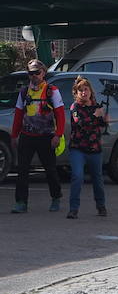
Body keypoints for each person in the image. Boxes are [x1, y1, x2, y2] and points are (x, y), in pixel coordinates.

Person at [10, 60, 65, 214]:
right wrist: (14, 135)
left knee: (50, 170)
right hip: (27, 136)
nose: (34, 76)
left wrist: (58, 135)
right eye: (30, 73)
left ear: (43, 73)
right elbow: (19, 114)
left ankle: (56, 197)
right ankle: (21, 202)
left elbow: (60, 115)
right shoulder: (24, 92)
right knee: (22, 170)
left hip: (46, 137)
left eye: (37, 72)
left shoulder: (51, 91)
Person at [65, 76, 109, 219]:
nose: (83, 93)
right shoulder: (75, 107)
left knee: (98, 178)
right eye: (80, 90)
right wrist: (96, 116)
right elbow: (80, 123)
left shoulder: (97, 106)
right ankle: (73, 209)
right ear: (76, 93)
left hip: (94, 148)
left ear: (90, 91)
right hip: (78, 148)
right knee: (77, 176)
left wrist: (104, 119)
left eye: (86, 90)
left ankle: (101, 206)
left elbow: (102, 126)